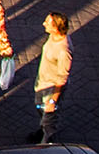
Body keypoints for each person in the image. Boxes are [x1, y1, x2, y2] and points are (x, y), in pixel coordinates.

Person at [30, 13, 73, 145]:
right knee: (40, 108)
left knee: (49, 118)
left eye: (47, 23)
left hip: (51, 90)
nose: (44, 24)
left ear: (56, 28)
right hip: (42, 84)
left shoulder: (64, 51)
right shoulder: (53, 36)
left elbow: (62, 79)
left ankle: (46, 144)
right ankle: (42, 130)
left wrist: (53, 101)